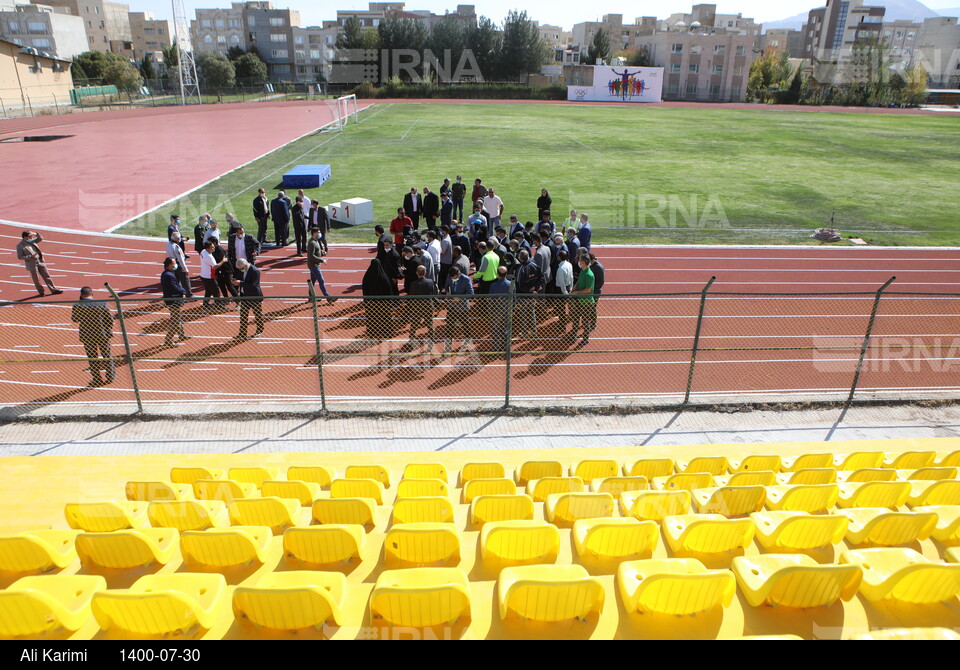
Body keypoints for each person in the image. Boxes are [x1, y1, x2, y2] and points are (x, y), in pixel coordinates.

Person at [71, 286, 114, 386]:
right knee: (107, 354)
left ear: (81, 295)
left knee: (92, 357)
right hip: (102, 334)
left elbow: (75, 319)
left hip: (87, 335)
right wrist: (107, 329)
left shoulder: (78, 306)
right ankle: (110, 376)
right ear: (92, 294)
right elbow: (109, 319)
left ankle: (97, 378)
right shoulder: (102, 304)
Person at [16, 230, 63, 296]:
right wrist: (30, 256)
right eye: (30, 236)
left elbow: (40, 238)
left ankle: (53, 290)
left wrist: (35, 233)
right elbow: (20, 257)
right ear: (25, 237)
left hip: (40, 261)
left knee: (47, 276)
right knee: (36, 279)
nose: (31, 237)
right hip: (31, 263)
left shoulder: (32, 241)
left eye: (32, 236)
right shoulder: (20, 246)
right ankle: (41, 292)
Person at [361, 258, 396, 339]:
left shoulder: (367, 277)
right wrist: (390, 302)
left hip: (371, 304)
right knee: (385, 318)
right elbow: (388, 290)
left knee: (372, 318)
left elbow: (365, 290)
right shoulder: (383, 277)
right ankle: (387, 333)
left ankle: (372, 333)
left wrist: (366, 302)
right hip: (383, 304)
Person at [443, 265, 474, 353]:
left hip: (462, 307)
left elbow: (471, 294)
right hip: (452, 306)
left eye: (454, 277)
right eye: (451, 277)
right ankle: (448, 343)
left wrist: (460, 298)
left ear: (458, 274)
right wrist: (447, 294)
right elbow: (446, 287)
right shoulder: (449, 276)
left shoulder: (466, 279)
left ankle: (468, 339)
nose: (452, 278)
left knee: (465, 324)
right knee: (449, 325)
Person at [514, 250, 543, 338]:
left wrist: (530, 291)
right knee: (532, 311)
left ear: (520, 258)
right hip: (532, 295)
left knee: (523, 313)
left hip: (524, 295)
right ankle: (534, 330)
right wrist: (536, 289)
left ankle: (525, 332)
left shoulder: (520, 269)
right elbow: (541, 278)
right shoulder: (535, 266)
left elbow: (519, 285)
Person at [160, 257, 189, 346]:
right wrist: (184, 291)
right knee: (175, 320)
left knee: (177, 318)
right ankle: (168, 339)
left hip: (172, 300)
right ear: (169, 265)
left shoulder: (168, 273)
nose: (175, 264)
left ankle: (181, 334)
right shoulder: (168, 275)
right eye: (174, 263)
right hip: (173, 300)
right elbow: (174, 288)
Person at [233, 258, 265, 339]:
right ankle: (242, 333)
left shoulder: (255, 271)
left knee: (257, 315)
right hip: (244, 296)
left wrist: (240, 283)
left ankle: (260, 330)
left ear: (245, 265)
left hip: (254, 296)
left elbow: (254, 285)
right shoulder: (242, 270)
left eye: (241, 269)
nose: (241, 271)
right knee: (243, 316)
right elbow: (239, 278)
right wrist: (235, 281)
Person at [409, 265, 437, 344]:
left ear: (417, 273)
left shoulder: (414, 284)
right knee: (429, 323)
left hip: (417, 307)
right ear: (425, 273)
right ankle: (432, 338)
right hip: (428, 306)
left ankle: (411, 338)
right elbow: (433, 293)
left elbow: (411, 296)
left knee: (414, 323)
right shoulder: (430, 282)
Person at [572, 254, 596, 343]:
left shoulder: (589, 275)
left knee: (585, 321)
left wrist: (577, 292)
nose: (579, 262)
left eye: (581, 260)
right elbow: (579, 280)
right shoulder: (582, 270)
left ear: (585, 262)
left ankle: (585, 339)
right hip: (579, 300)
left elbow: (588, 289)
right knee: (576, 318)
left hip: (586, 302)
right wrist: (575, 287)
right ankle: (574, 335)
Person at [307, 228, 335, 303]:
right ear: (314, 233)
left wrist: (322, 252)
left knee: (312, 281)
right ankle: (328, 298)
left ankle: (311, 297)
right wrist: (322, 260)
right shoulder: (311, 243)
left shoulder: (316, 241)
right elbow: (311, 256)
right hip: (314, 265)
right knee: (321, 281)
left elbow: (317, 250)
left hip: (315, 265)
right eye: (318, 232)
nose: (320, 234)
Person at [488, 266, 512, 351]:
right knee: (506, 329)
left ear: (497, 274)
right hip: (507, 310)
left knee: (496, 330)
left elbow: (490, 299)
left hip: (496, 310)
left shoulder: (493, 285)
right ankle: (506, 346)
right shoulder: (511, 284)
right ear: (506, 274)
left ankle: (496, 347)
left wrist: (490, 311)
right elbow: (514, 298)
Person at [210, 236, 238, 307]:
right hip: (220, 271)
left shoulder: (219, 249)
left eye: (211, 243)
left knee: (229, 286)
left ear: (214, 243)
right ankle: (226, 299)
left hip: (226, 270)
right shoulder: (214, 250)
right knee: (221, 285)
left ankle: (238, 302)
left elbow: (220, 261)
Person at [199, 239, 227, 309]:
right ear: (207, 248)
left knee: (208, 291)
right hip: (209, 276)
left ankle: (205, 304)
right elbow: (215, 266)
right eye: (212, 247)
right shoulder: (209, 256)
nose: (213, 248)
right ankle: (219, 306)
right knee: (216, 292)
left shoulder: (203, 251)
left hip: (204, 275)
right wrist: (223, 261)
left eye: (213, 246)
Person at [166, 232, 192, 297]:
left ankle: (177, 294)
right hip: (177, 264)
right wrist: (185, 269)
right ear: (177, 239)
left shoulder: (168, 244)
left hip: (172, 264)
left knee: (176, 280)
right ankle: (189, 295)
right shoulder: (176, 247)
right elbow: (180, 259)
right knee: (185, 280)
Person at [554, 249, 574, 329]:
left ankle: (562, 325)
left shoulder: (561, 269)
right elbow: (571, 277)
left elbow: (561, 282)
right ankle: (563, 322)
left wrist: (564, 292)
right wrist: (571, 288)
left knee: (560, 307)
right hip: (568, 286)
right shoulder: (569, 264)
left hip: (561, 290)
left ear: (559, 257)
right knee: (565, 307)